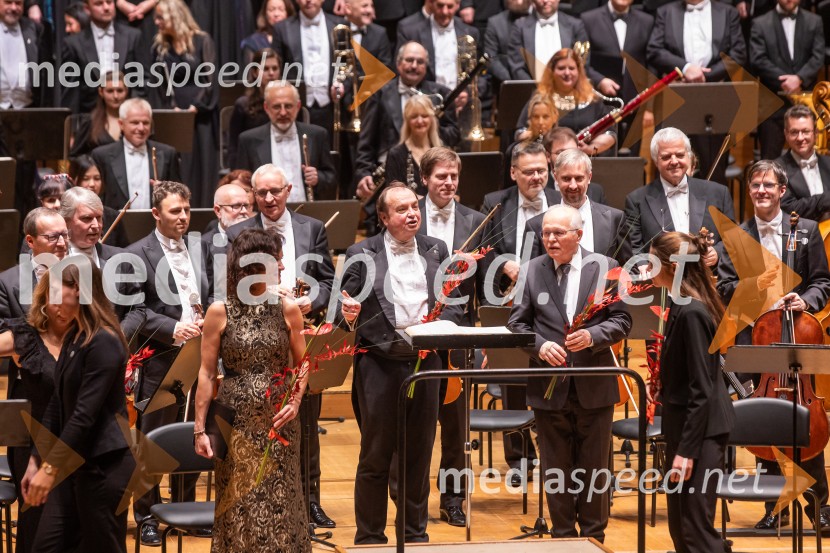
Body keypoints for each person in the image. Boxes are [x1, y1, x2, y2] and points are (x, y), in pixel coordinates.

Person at [339, 183, 464, 544]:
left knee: (419, 453)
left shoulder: (436, 249)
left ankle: (414, 535)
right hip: (379, 364)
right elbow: (343, 311)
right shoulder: (360, 252)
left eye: (414, 206)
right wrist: (349, 315)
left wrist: (443, 325)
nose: (412, 214)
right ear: (383, 217)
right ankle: (370, 537)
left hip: (427, 363)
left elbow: (453, 302)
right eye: (401, 209)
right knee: (376, 454)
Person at [716, 160, 830, 532]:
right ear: (748, 190)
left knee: (806, 423)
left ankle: (821, 508)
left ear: (782, 191)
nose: (761, 191)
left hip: (799, 338)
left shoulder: (806, 230)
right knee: (764, 423)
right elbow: (725, 286)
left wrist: (806, 302)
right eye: (755, 185)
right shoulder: (735, 237)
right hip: (756, 339)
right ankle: (773, 508)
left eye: (768, 185)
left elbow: (821, 282)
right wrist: (759, 294)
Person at [221, 164, 337, 527]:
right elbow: (226, 283)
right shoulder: (237, 231)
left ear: (289, 190)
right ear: (252, 195)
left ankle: (310, 498)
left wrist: (309, 303)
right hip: (254, 334)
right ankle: (258, 496)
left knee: (305, 418)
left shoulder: (313, 228)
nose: (269, 199)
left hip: (298, 328)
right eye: (261, 193)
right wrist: (269, 296)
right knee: (257, 425)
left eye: (276, 191)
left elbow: (327, 283)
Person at [508, 204, 631, 541]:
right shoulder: (532, 270)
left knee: (594, 469)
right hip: (549, 385)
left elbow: (622, 321)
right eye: (545, 232)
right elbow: (517, 324)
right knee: (555, 469)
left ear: (578, 235)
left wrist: (593, 336)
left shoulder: (607, 268)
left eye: (558, 233)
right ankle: (562, 537)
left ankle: (593, 537)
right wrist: (539, 346)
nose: (549, 238)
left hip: (594, 385)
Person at [194, 227, 311, 551]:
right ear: (253, 266)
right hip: (234, 421)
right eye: (276, 260)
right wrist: (199, 429)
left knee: (282, 499)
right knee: (237, 501)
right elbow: (206, 374)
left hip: (279, 420)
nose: (283, 267)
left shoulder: (287, 308)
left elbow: (303, 363)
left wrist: (296, 399)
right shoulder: (220, 311)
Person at [22, 263, 134, 553]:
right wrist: (36, 460)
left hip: (103, 467)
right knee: (46, 547)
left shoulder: (104, 341)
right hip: (73, 464)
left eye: (55, 293)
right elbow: (58, 406)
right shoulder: (74, 336)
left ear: (79, 291)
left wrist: (50, 467)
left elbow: (84, 416)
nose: (49, 302)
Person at [124, 180, 210, 546]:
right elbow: (135, 311)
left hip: (200, 355)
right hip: (161, 357)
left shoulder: (201, 247)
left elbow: (212, 292)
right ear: (156, 214)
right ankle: (146, 514)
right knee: (151, 441)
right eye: (175, 211)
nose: (183, 217)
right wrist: (176, 327)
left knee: (193, 432)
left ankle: (184, 507)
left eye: (187, 210)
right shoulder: (134, 253)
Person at [415, 147, 492, 526]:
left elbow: (485, 291)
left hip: (460, 334)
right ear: (425, 179)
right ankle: (415, 502)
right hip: (420, 333)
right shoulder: (409, 215)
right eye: (440, 176)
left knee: (456, 425)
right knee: (420, 423)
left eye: (453, 176)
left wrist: (477, 340)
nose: (448, 183)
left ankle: (453, 498)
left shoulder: (476, 220)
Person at [649, 231, 735, 552]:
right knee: (681, 529)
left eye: (652, 259)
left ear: (671, 266)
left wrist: (686, 452)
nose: (648, 265)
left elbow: (703, 388)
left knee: (694, 529)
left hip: (700, 434)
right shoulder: (679, 305)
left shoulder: (693, 313)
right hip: (685, 428)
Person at [646, 0, 746, 183]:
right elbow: (654, 50)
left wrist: (705, 76)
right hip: (676, 97)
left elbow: (738, 53)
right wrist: (685, 68)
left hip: (714, 97)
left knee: (713, 169)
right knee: (669, 163)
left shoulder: (728, 12)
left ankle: (712, 211)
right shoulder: (665, 12)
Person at [354, 41, 460, 201]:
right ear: (398, 63)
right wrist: (364, 173)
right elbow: (367, 139)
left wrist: (427, 127)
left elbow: (454, 134)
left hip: (430, 171)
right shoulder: (379, 94)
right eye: (409, 60)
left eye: (420, 62)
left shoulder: (441, 93)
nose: (414, 66)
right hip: (386, 173)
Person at [624, 128, 734, 262]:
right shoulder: (636, 200)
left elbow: (732, 239)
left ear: (689, 157)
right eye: (666, 157)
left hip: (707, 278)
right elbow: (634, 248)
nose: (674, 161)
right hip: (660, 279)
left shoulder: (718, 193)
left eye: (680, 155)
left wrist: (717, 252)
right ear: (655, 161)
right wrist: (642, 266)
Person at [150, 0, 219, 207]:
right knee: (178, 169)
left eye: (161, 16)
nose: (156, 21)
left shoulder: (201, 41)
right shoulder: (160, 47)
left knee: (202, 168)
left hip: (201, 114)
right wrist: (173, 109)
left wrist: (195, 106)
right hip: (174, 114)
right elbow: (159, 84)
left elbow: (210, 79)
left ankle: (202, 213)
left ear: (175, 16)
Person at [236, 82, 338, 201]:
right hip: (266, 214)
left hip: (309, 213)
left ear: (298, 106)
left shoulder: (317, 135)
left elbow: (332, 179)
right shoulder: (248, 140)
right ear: (266, 108)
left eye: (288, 106)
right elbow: (242, 185)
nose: (283, 112)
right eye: (277, 107)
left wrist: (318, 178)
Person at [524, 148, 629, 263]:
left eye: (579, 178)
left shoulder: (615, 219)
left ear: (589, 177)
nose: (573, 186)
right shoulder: (534, 226)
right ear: (556, 178)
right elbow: (526, 275)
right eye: (566, 179)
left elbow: (629, 269)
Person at [750, 0, 824, 160]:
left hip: (806, 102)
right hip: (773, 103)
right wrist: (785, 81)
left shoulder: (815, 21)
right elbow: (758, 59)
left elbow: (818, 56)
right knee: (770, 162)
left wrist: (799, 78)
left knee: (810, 160)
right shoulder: (760, 23)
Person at [516, 48, 616, 156]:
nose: (567, 73)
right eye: (561, 68)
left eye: (572, 68)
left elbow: (610, 134)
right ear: (552, 71)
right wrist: (538, 132)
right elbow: (520, 132)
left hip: (587, 160)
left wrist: (589, 148)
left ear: (579, 71)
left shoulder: (592, 99)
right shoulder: (541, 97)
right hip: (549, 160)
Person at [271, 0, 345, 140]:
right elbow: (277, 69)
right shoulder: (282, 28)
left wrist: (342, 83)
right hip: (296, 108)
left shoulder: (340, 25)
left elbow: (349, 65)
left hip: (331, 106)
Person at [91, 98, 181, 211]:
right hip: (116, 225)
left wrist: (166, 191)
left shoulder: (168, 153)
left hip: (156, 224)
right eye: (135, 122)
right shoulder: (101, 155)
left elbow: (179, 196)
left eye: (145, 123)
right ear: (121, 124)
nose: (141, 128)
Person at [61, 0, 144, 113]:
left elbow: (142, 79)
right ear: (87, 9)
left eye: (109, 2)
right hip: (90, 116)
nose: (106, 8)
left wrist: (133, 111)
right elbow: (71, 91)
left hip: (127, 115)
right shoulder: (73, 44)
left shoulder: (133, 36)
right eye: (99, 4)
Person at [395, 0, 479, 92]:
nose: (444, 12)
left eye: (450, 6)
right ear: (431, 3)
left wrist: (466, 92)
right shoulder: (411, 32)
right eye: (440, 5)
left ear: (458, 5)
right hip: (425, 98)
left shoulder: (470, 33)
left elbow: (478, 72)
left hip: (459, 98)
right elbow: (400, 69)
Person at [228, 48, 283, 169]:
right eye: (265, 69)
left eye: (275, 68)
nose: (271, 73)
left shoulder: (287, 104)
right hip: (253, 165)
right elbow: (234, 147)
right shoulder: (243, 105)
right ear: (254, 72)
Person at [507, 0, 588, 80]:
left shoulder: (576, 25)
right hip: (531, 89)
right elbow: (517, 67)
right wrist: (535, 89)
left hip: (568, 88)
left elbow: (582, 63)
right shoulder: (519, 26)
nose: (545, 1)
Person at [777, 105, 830, 221]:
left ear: (815, 133)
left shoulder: (828, 163)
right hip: (799, 235)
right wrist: (825, 200)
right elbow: (788, 208)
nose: (800, 138)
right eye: (794, 132)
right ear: (786, 134)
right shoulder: (776, 170)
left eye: (806, 131)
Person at [69, 71, 127, 158]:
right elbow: (75, 156)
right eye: (110, 91)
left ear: (126, 91)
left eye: (120, 90)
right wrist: (89, 168)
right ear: (101, 92)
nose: (115, 96)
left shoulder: (135, 121)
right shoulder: (90, 122)